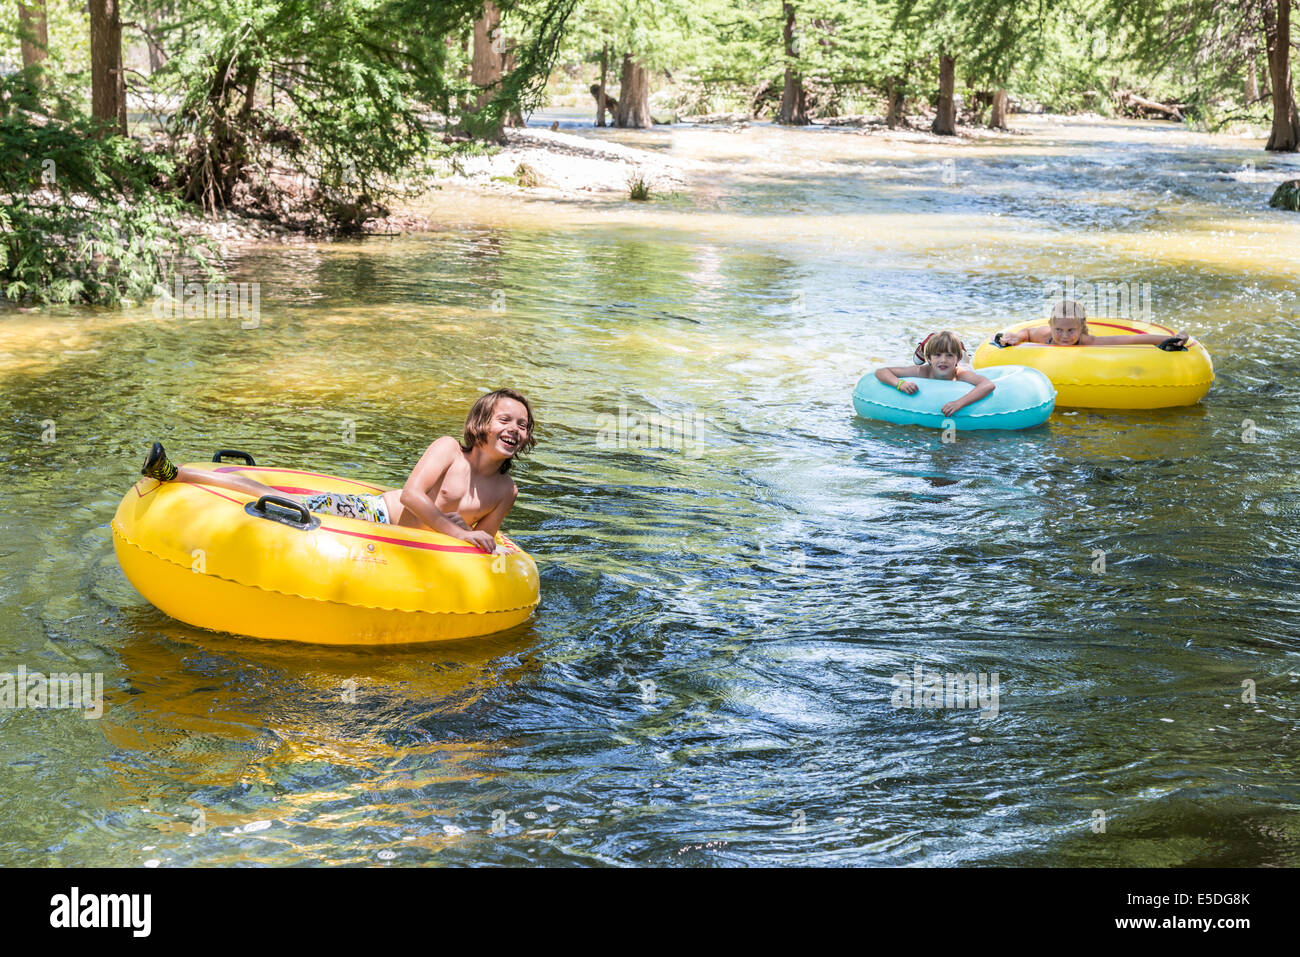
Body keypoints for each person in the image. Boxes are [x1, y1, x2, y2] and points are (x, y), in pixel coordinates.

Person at [139, 388, 536, 553]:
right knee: (283, 503)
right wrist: (452, 528)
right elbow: (413, 496)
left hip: (408, 549)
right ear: (481, 423)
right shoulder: (449, 450)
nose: (514, 430)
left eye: (523, 425)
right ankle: (179, 473)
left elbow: (482, 541)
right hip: (373, 516)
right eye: (506, 420)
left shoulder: (506, 491)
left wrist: (470, 537)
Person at [874, 330, 995, 417]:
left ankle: (960, 350)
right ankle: (926, 345)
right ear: (929, 359)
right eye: (937, 355)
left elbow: (988, 385)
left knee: (965, 362)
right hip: (945, 362)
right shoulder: (922, 371)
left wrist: (959, 403)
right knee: (945, 349)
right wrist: (899, 384)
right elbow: (881, 371)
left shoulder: (960, 373)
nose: (943, 360)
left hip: (961, 364)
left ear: (956, 359)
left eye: (949, 355)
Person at [1000, 300, 1190, 348]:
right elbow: (1026, 332)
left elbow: (1129, 339)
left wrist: (1170, 339)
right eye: (1058, 329)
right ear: (1050, 325)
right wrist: (1016, 337)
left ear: (1081, 328)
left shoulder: (1087, 342)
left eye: (1070, 330)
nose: (1064, 335)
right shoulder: (1044, 335)